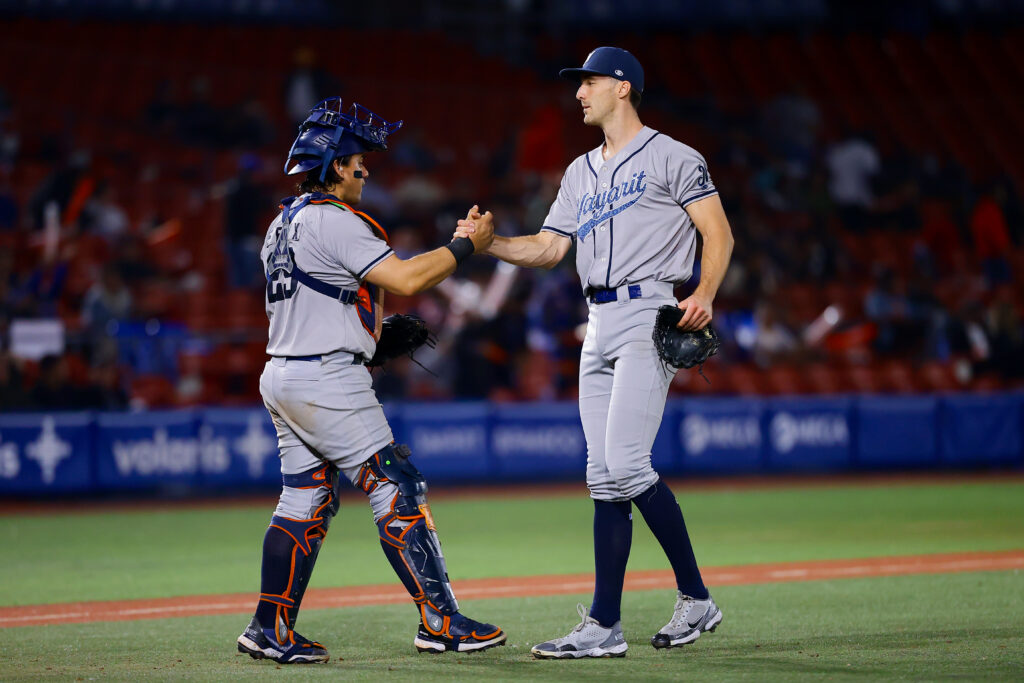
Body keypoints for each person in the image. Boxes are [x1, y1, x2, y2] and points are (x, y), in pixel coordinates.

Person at [457, 47, 735, 658]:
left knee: (628, 466)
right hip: (598, 321)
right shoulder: (580, 171)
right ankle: (605, 626)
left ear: (623, 87)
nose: (579, 92)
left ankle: (696, 597)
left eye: (589, 81)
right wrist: (488, 244)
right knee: (603, 477)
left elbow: (718, 231)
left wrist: (705, 293)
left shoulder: (673, 155)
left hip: (648, 310)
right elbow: (549, 248)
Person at [236, 97, 505, 664]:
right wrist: (466, 246)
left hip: (283, 370)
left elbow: (312, 302)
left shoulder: (280, 223)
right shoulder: (334, 218)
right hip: (324, 376)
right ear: (335, 165)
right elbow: (405, 279)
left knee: (304, 498)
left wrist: (367, 339)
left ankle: (269, 628)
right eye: (358, 161)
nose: (365, 170)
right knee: (395, 483)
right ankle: (441, 622)